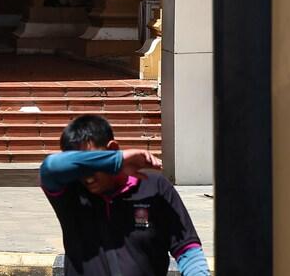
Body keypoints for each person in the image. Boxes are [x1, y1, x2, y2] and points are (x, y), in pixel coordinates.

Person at [40, 114, 211, 276]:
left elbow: (187, 250)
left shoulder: (155, 187)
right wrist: (116, 160)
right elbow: (50, 167)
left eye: (93, 163)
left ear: (112, 148)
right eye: (81, 167)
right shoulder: (71, 193)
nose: (87, 177)